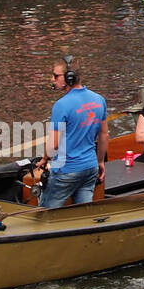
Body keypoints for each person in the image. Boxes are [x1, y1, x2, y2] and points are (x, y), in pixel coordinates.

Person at [38, 59, 108, 207]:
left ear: (68, 78)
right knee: (82, 215)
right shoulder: (99, 100)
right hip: (90, 167)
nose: (52, 79)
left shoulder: (61, 105)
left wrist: (44, 159)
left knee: (45, 215)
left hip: (66, 171)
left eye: (55, 76)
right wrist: (100, 161)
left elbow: (54, 145)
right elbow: (103, 135)